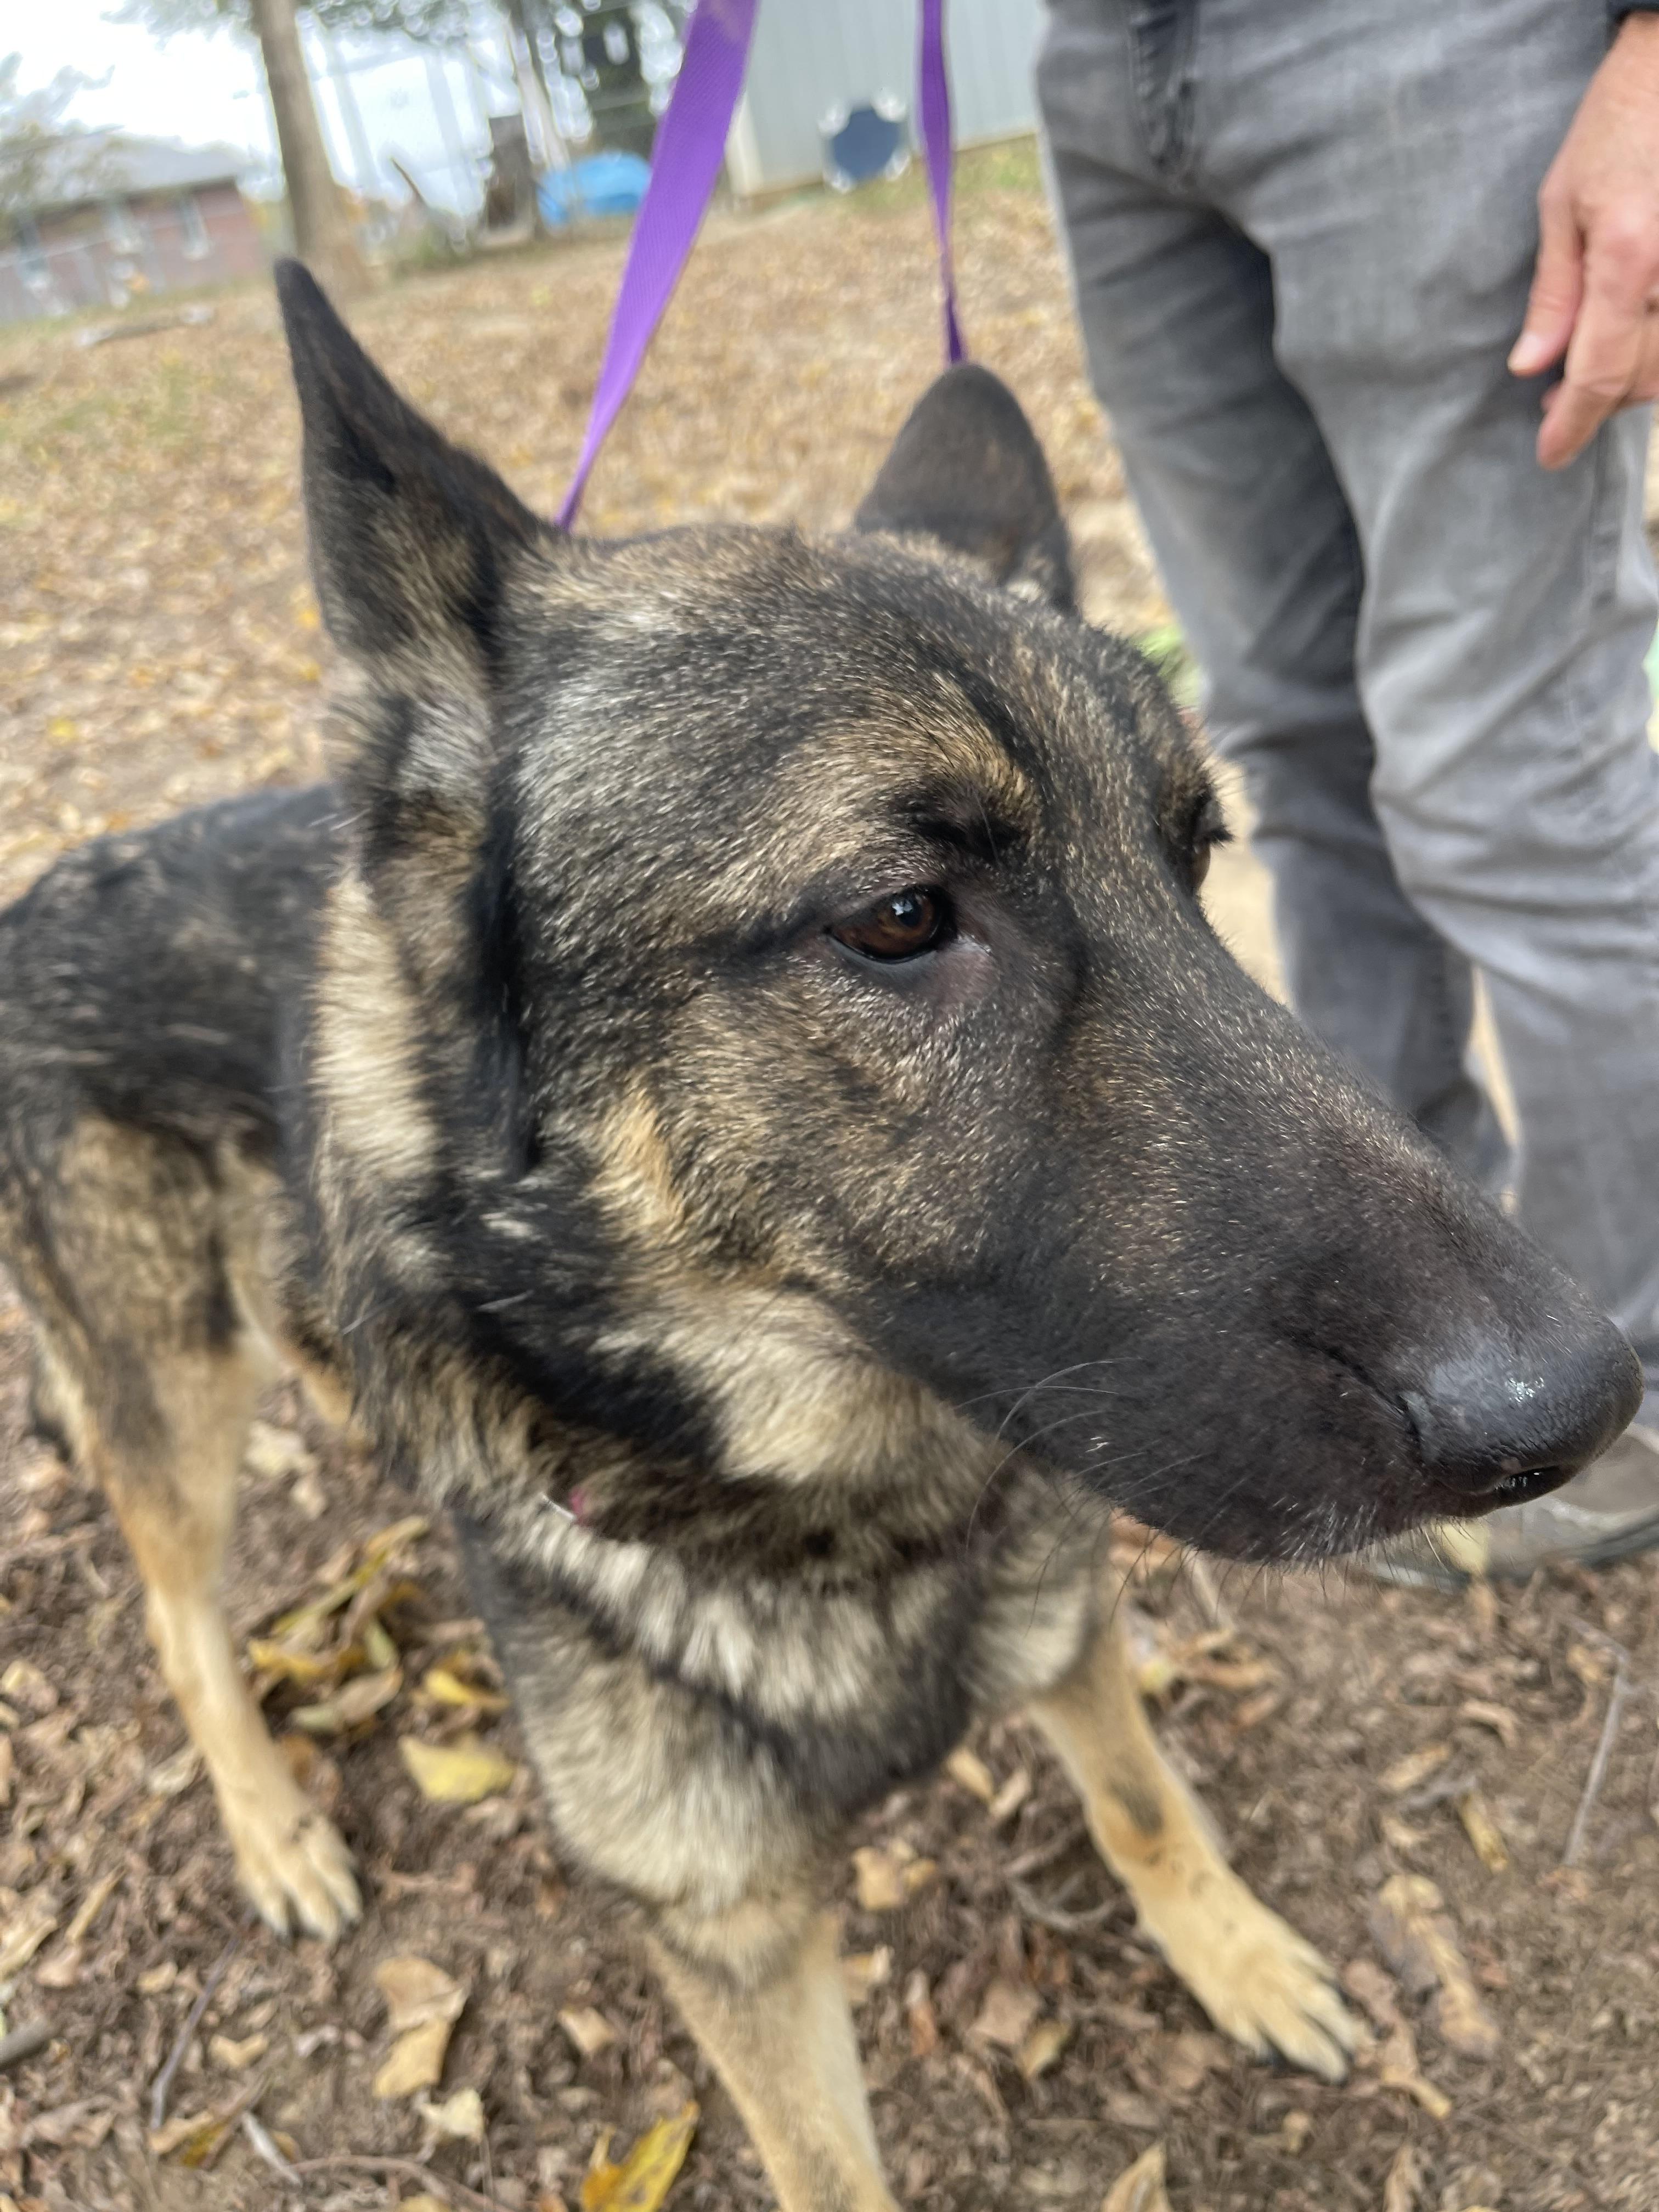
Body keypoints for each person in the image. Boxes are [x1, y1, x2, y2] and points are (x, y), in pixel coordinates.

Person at [1036, 0, 1659, 1579]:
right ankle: (1404, 1346)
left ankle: (1627, 1378)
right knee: (1287, 755)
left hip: (1437, 42)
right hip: (1104, 70)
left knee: (1509, 789)